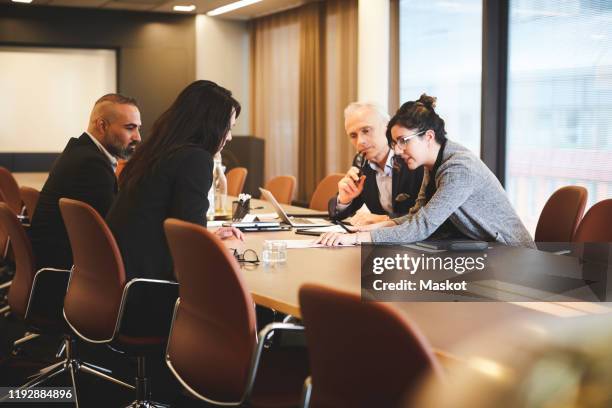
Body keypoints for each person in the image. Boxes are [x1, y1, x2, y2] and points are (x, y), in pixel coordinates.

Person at [317, 94, 535, 248]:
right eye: (395, 142)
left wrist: (356, 239)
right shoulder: (433, 164)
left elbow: (422, 225)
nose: (398, 150)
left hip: (510, 254)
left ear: (428, 137)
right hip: (482, 250)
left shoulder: (458, 168)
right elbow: (416, 214)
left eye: (403, 141)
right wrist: (373, 228)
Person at [106, 80, 243, 282]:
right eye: (227, 128)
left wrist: (208, 239)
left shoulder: (154, 152)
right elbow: (191, 247)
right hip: (151, 286)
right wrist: (213, 247)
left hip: (123, 276)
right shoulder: (195, 159)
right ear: (210, 126)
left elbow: (163, 224)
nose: (229, 137)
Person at [30, 94, 142, 270]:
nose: (137, 137)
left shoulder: (79, 152)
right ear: (102, 125)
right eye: (130, 128)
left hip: (52, 264)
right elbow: (115, 230)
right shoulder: (91, 165)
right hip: (65, 271)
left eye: (138, 128)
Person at [328, 102, 424, 226]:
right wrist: (344, 200)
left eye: (366, 131)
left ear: (388, 128)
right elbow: (337, 213)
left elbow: (430, 215)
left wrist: (386, 220)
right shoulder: (361, 163)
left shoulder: (413, 158)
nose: (360, 141)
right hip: (382, 241)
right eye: (353, 135)